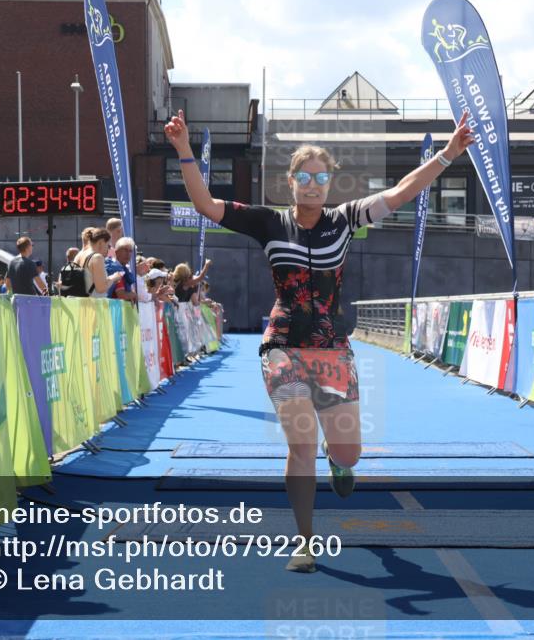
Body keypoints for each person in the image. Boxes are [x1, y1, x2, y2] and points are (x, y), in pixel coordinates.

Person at [165, 107, 473, 573]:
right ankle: (305, 541)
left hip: (331, 347)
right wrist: (185, 149)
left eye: (321, 176)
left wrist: (448, 154)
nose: (313, 183)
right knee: (301, 442)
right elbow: (207, 206)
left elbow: (399, 191)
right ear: (290, 181)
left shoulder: (347, 219)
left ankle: (341, 462)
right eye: (304, 176)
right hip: (283, 344)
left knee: (346, 451)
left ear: (330, 182)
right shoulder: (268, 222)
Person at [72, 227, 121, 297]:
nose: (108, 249)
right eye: (108, 245)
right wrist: (114, 277)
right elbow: (101, 288)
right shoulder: (97, 257)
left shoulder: (79, 255)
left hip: (80, 303)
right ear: (101, 242)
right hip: (94, 305)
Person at [106, 237, 137, 301]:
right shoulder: (114, 268)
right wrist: (134, 295)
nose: (128, 254)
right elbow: (122, 295)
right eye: (125, 250)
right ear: (116, 252)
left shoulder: (125, 269)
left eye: (130, 251)